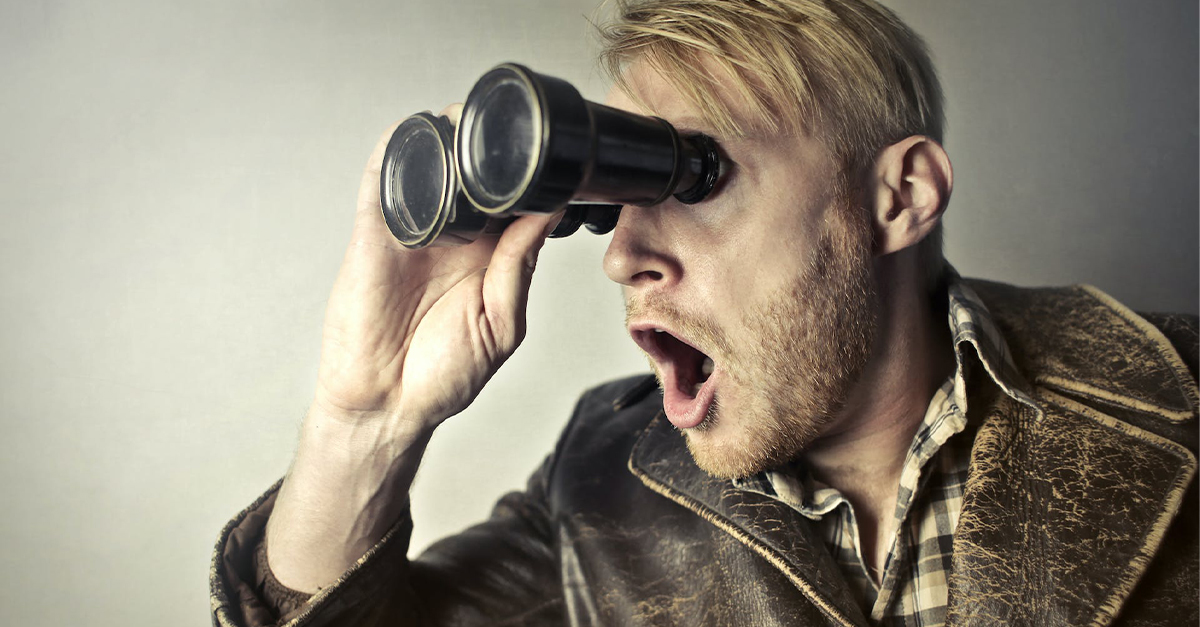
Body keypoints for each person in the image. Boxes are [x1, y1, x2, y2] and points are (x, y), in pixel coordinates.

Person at [210, 0, 1199, 625]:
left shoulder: (1178, 393)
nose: (624, 256)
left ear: (898, 198)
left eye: (696, 173)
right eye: (613, 195)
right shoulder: (604, 472)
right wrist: (364, 424)